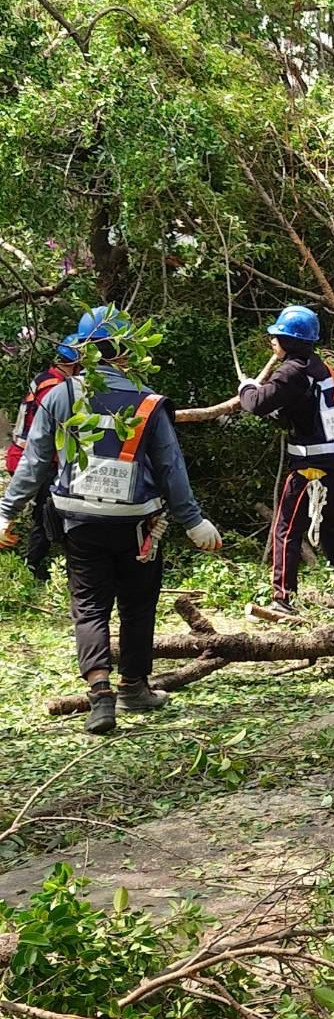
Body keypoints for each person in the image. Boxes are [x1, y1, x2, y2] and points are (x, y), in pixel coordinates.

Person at [0, 306, 222, 734]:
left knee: (89, 607)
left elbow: (35, 463)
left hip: (78, 521)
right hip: (138, 525)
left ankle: (100, 693)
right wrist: (192, 520)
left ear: (84, 350)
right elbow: (171, 466)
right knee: (137, 605)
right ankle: (134, 687)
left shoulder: (60, 396)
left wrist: (7, 511)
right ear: (127, 350)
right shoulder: (148, 400)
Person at [238, 305, 334, 615]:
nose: (272, 342)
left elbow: (257, 404)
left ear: (290, 341)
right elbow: (299, 411)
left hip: (309, 468)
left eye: (277, 337)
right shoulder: (319, 368)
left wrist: (247, 388)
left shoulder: (293, 370)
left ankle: (282, 598)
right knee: (328, 524)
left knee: (286, 529)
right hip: (332, 462)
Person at [6, 334, 82, 581]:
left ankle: (41, 567)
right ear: (77, 363)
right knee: (47, 515)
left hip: (23, 456)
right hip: (36, 461)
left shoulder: (43, 379)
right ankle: (34, 569)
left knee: (48, 513)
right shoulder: (56, 388)